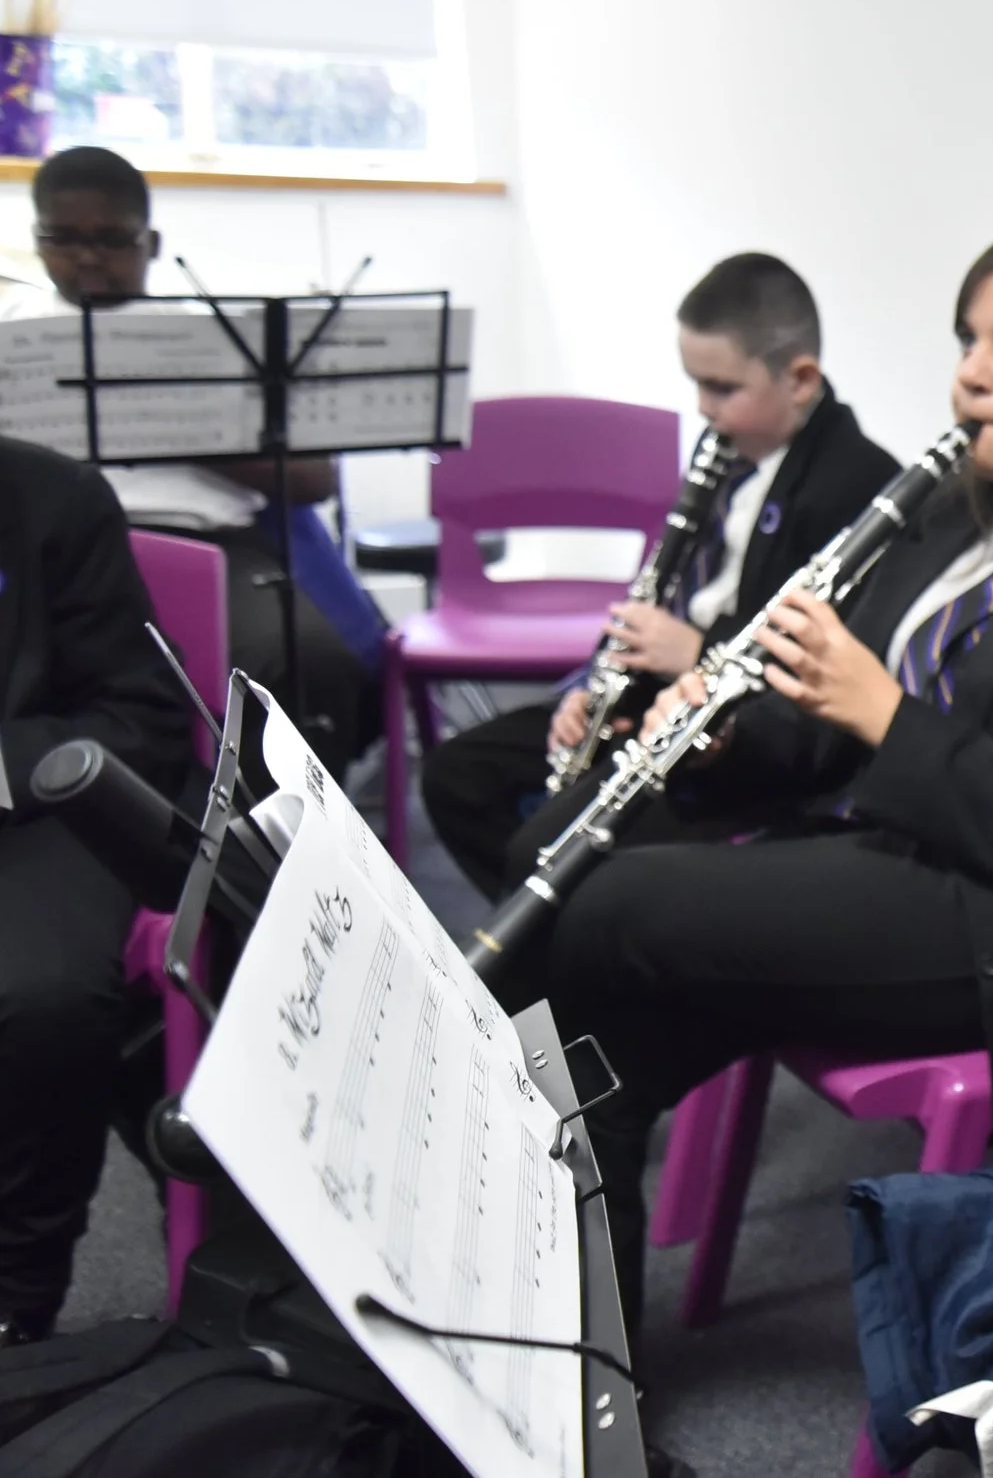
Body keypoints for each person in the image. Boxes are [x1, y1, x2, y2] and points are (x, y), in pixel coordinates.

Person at [546, 230, 993, 1330]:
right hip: (882, 854)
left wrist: (884, 711)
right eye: (970, 340)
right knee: (592, 1035)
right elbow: (826, 724)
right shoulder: (959, 508)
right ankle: (577, 1363)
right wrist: (727, 732)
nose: (972, 374)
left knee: (608, 902)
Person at [420, 251, 896, 899]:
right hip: (655, 694)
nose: (703, 407)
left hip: (728, 736)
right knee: (457, 776)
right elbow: (659, 589)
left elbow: (807, 675)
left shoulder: (857, 485)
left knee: (552, 847)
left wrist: (695, 650)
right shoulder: (723, 448)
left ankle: (548, 937)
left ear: (801, 379)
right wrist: (585, 692)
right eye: (696, 384)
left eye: (722, 388)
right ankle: (538, 932)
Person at [0, 146, 385, 774]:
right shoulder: (13, 333)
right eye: (63, 239)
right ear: (38, 239)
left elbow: (315, 479)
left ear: (149, 243)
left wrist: (169, 420)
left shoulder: (216, 341)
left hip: (209, 544)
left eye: (111, 240)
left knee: (309, 660)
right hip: (51, 550)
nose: (88, 258)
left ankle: (277, 826)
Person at [0, 434, 194, 1346]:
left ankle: (18, 1294)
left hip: (28, 805)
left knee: (43, 996)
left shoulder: (52, 495)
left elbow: (138, 714)